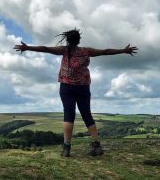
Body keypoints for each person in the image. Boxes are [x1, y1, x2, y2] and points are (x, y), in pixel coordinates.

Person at [14, 29, 138, 157]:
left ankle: (66, 148)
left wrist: (28, 47)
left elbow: (45, 48)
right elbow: (105, 51)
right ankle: (96, 146)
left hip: (66, 87)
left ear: (68, 40)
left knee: (68, 115)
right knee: (87, 115)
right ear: (79, 40)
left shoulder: (64, 50)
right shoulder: (86, 51)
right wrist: (123, 50)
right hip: (83, 87)